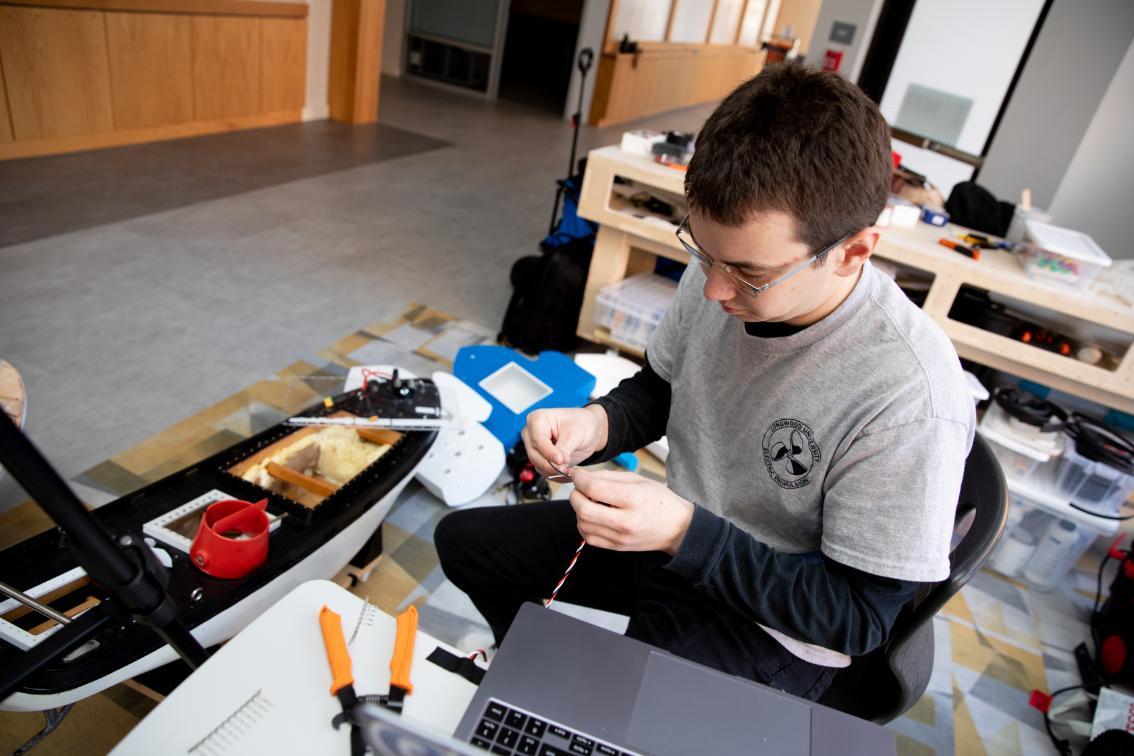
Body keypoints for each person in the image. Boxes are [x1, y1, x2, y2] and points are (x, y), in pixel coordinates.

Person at [435, 62, 975, 701]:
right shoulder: (723, 265)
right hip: (678, 539)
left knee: (613, 713)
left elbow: (856, 617)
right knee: (466, 544)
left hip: (773, 624)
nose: (715, 289)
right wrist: (597, 424)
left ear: (854, 251)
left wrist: (684, 533)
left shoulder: (910, 397)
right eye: (702, 252)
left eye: (748, 273)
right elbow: (661, 389)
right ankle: (528, 680)